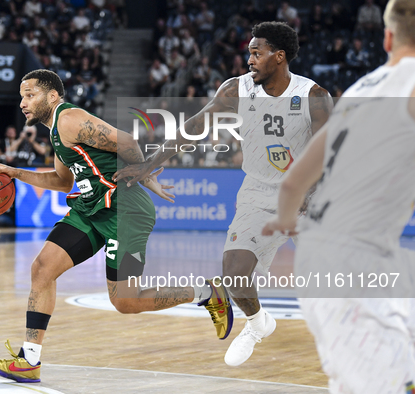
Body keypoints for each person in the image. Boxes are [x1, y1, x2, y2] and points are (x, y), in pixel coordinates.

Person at [0, 69, 233, 383]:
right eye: (21, 97)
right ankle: (28, 360)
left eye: (30, 95)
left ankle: (207, 293)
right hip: (90, 209)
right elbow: (61, 181)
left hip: (123, 210)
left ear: (53, 96)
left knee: (125, 301)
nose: (23, 102)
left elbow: (125, 140)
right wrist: (15, 173)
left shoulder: (69, 119)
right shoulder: (56, 133)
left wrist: (143, 171)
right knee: (42, 268)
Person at [114, 21, 333, 366]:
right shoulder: (236, 89)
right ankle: (259, 324)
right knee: (233, 273)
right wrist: (149, 164)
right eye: (249, 52)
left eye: (256, 53)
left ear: (279, 56)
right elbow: (195, 128)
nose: (249, 59)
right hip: (258, 192)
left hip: (308, 196)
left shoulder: (313, 96)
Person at [262, 0, 415, 391]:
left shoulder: (358, 92)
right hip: (350, 263)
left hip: (344, 253)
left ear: (386, 38)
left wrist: (285, 221)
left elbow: (292, 184)